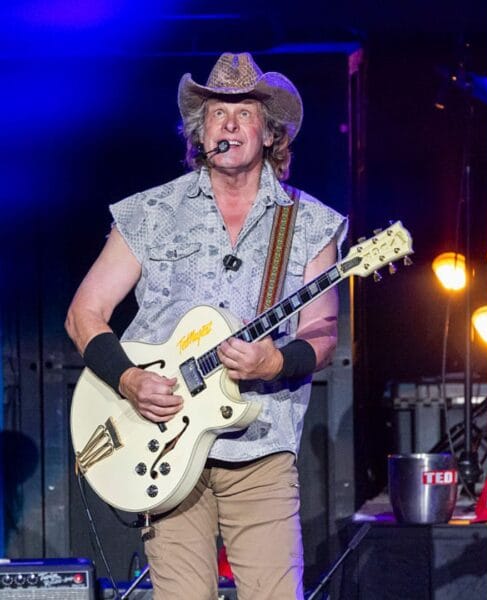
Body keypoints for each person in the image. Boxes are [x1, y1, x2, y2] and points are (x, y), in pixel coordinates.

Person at [65, 52, 347, 599]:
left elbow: (323, 330)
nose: (231, 123)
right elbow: (85, 313)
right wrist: (128, 380)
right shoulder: (151, 213)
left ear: (271, 134)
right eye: (219, 112)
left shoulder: (309, 222)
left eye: (245, 112)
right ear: (201, 131)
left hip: (260, 446)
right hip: (163, 448)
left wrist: (275, 361)